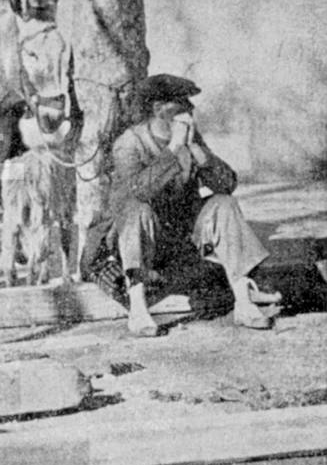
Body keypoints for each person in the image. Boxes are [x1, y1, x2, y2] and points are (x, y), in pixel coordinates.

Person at [99, 74, 280, 336]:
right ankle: (138, 310)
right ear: (158, 109)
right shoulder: (130, 143)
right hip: (141, 240)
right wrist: (173, 150)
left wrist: (200, 153)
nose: (190, 110)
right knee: (137, 209)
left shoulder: (190, 138)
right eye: (181, 104)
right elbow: (139, 191)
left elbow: (227, 185)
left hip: (182, 237)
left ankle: (244, 301)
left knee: (224, 204)